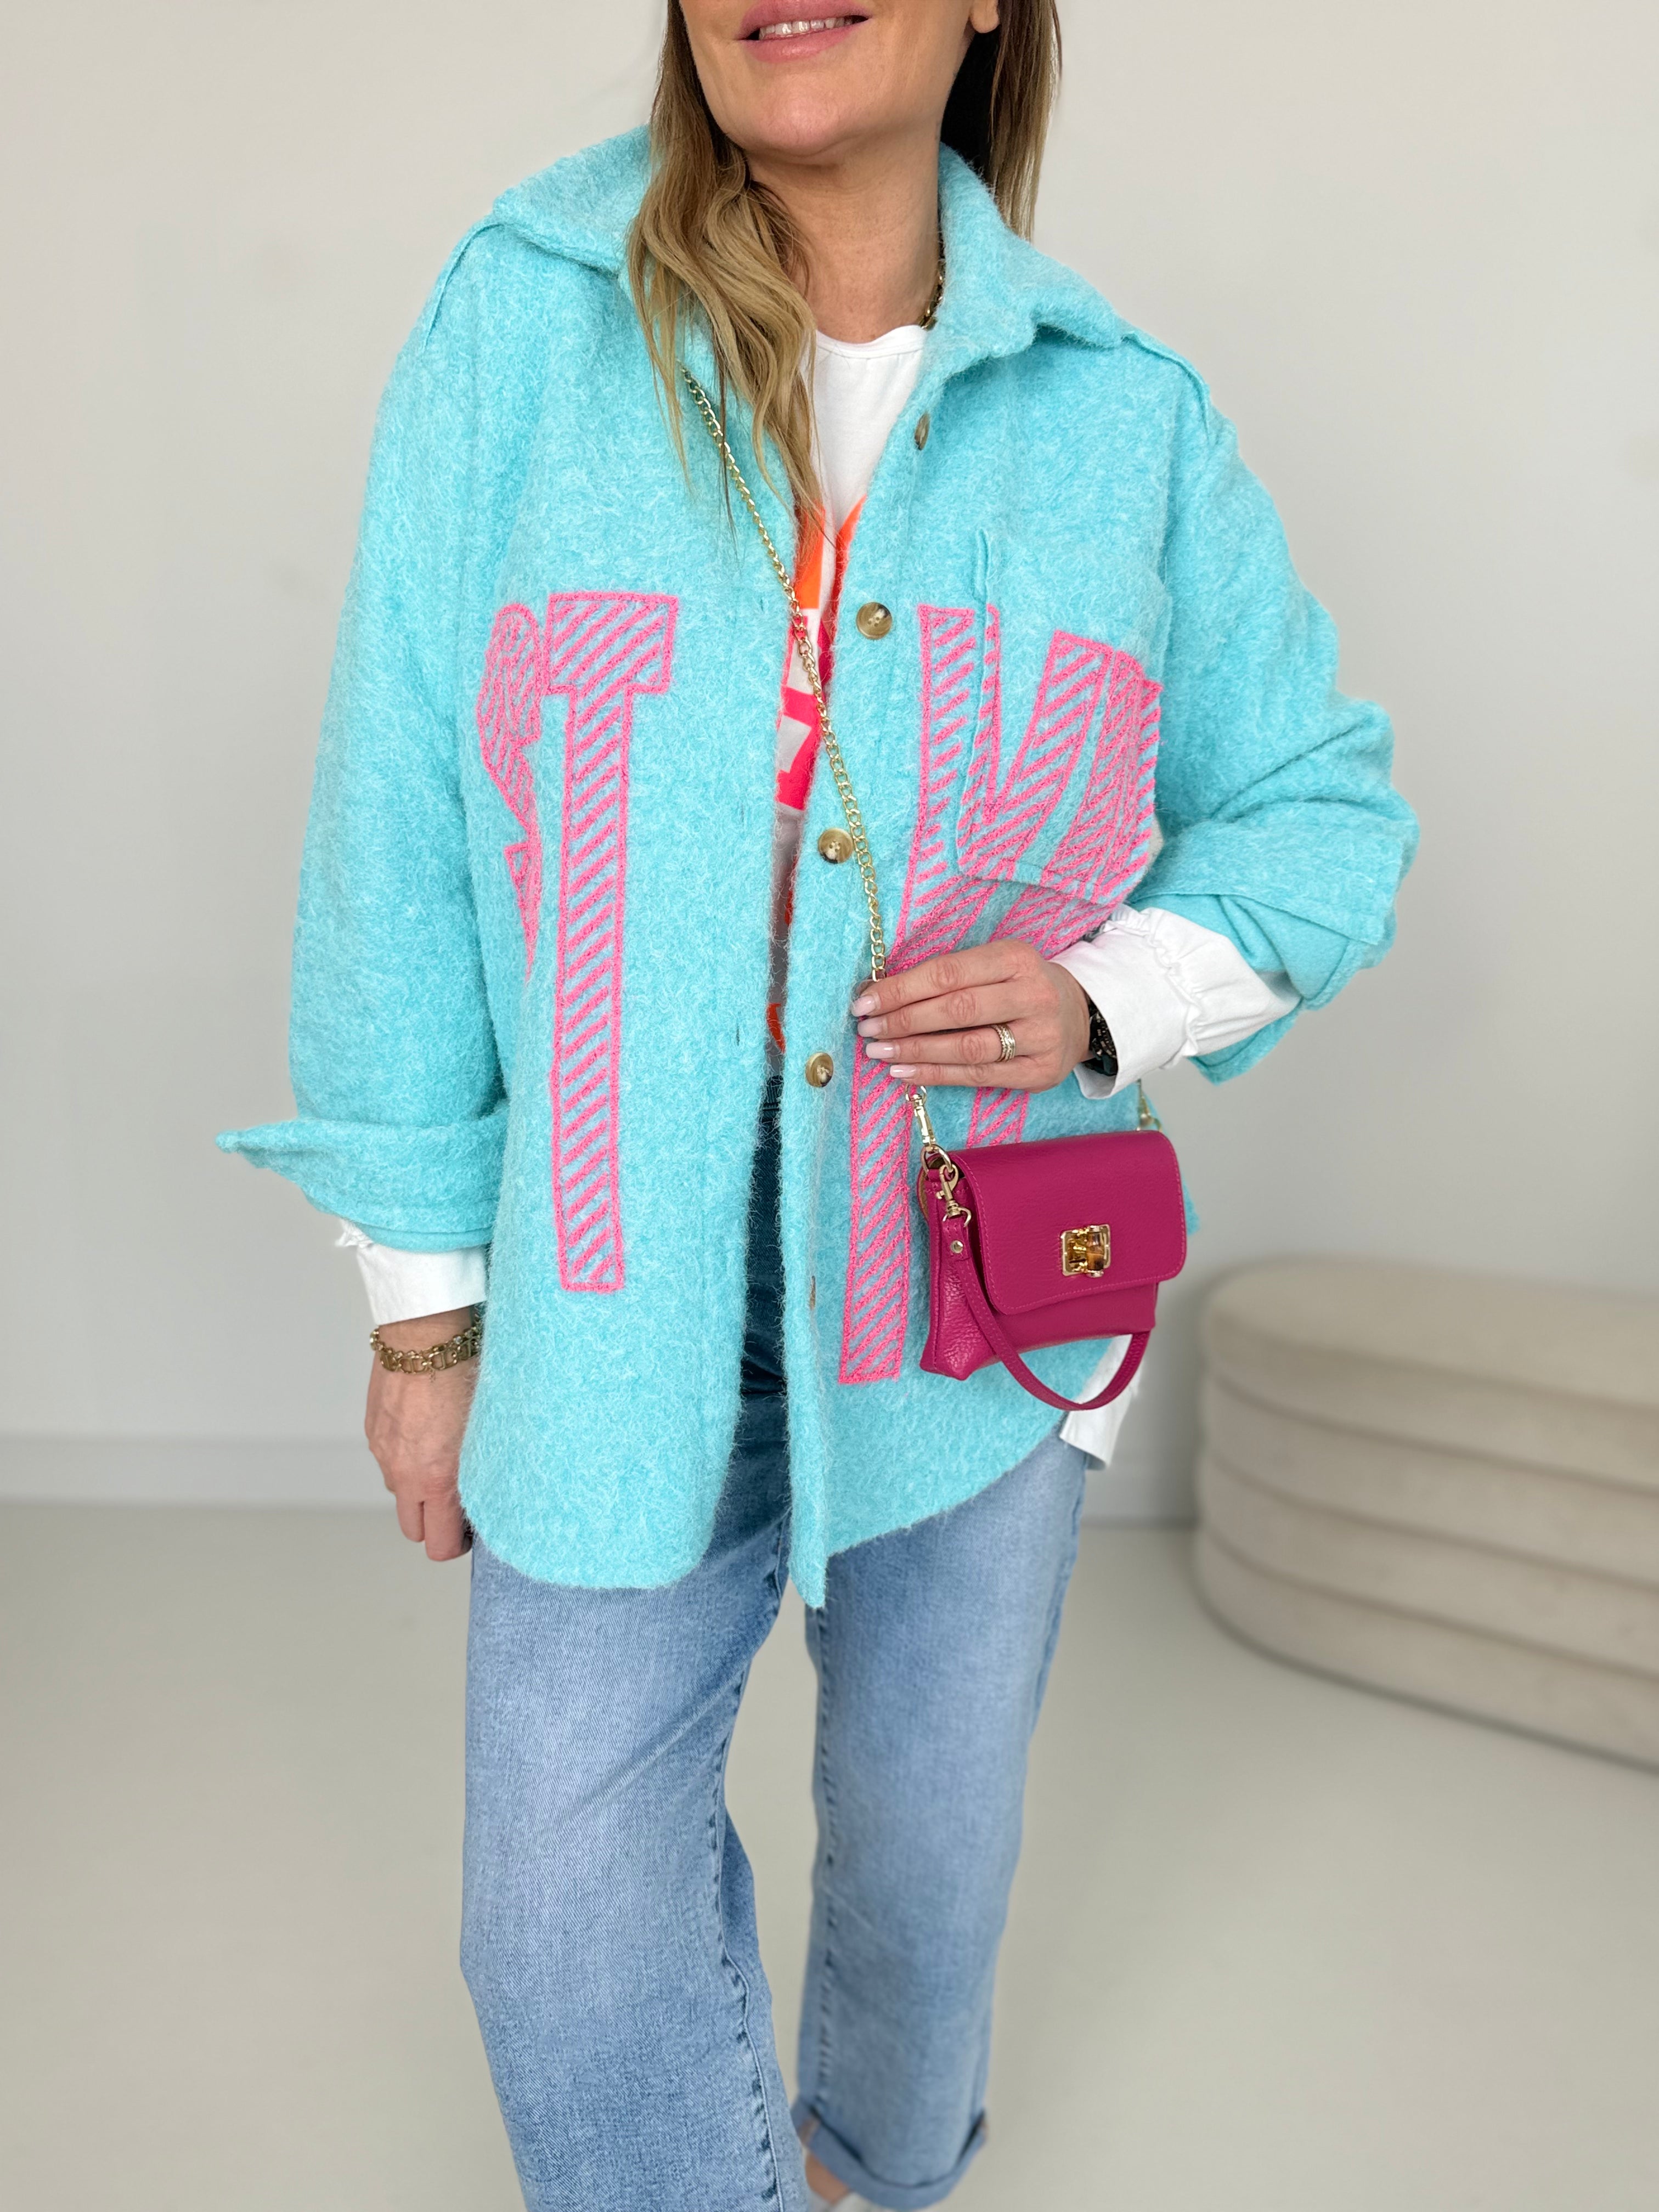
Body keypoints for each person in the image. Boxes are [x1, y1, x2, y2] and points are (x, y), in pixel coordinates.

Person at [221, 3, 1416, 2205]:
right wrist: (423, 1308)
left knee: (930, 1858)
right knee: (556, 1918)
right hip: (610, 1279)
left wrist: (1106, 996)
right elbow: (393, 819)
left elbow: (1324, 812)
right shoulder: (527, 324)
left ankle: (880, 2157)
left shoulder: (1125, 418)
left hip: (984, 1299)